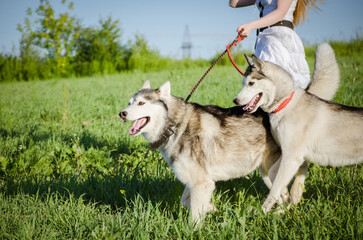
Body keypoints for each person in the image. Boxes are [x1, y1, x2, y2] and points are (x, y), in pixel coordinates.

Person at [229, 0, 322, 89]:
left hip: (279, 39)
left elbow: (280, 13)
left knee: (275, 85)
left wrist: (250, 26)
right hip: (265, 39)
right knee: (264, 85)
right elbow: (233, 3)